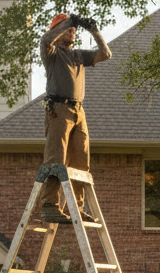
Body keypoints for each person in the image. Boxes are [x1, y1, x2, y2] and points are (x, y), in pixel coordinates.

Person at [39, 13, 112, 224]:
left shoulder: (78, 56)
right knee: (56, 157)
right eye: (66, 29)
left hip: (79, 112)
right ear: (57, 31)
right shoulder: (51, 53)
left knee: (81, 161)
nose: (72, 31)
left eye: (73, 29)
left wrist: (93, 30)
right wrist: (70, 21)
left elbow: (105, 54)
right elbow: (45, 39)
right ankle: (49, 204)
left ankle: (76, 208)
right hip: (59, 109)